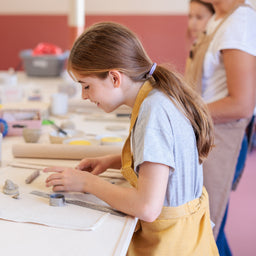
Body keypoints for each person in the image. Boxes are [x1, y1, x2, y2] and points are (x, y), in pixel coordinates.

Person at [43, 22, 219, 255]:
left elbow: (146, 207)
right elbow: (166, 159)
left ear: (115, 78)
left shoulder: (153, 110)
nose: (84, 96)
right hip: (185, 237)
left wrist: (87, 183)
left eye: (86, 86)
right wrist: (112, 160)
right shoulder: (157, 94)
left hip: (172, 244)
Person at [185, 0, 256, 255]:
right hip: (207, 132)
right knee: (209, 227)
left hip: (222, 138)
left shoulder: (241, 22)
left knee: (208, 229)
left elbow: (241, 105)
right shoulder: (218, 19)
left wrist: (182, 112)